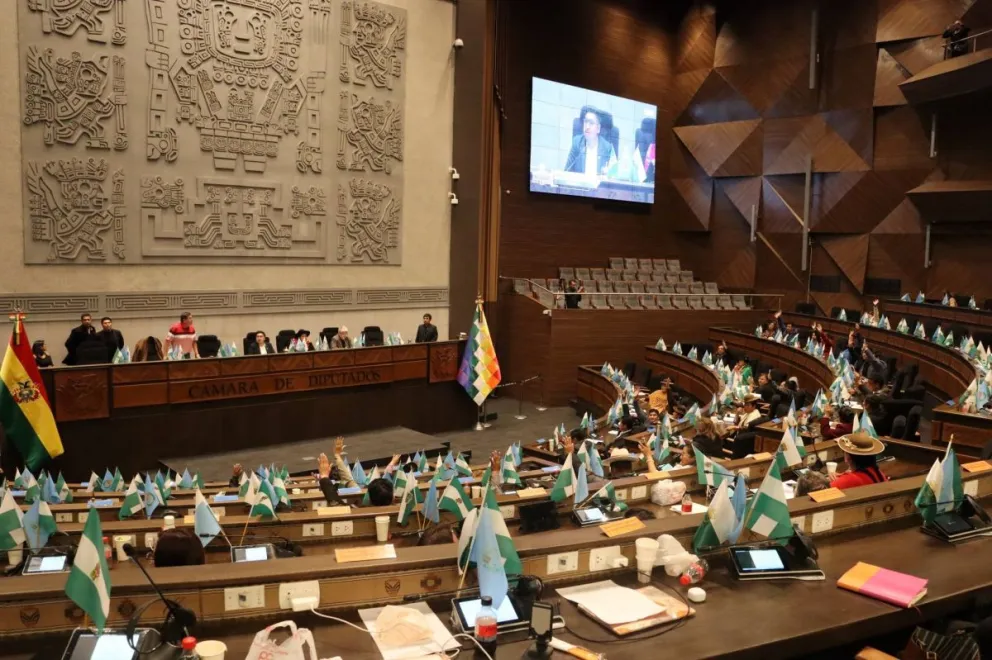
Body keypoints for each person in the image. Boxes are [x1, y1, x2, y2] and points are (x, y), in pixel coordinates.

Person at [564, 106, 618, 176]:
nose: (587, 126)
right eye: (586, 122)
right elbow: (567, 171)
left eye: (591, 123)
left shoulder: (608, 148)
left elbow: (614, 175)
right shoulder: (577, 143)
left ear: (598, 128)